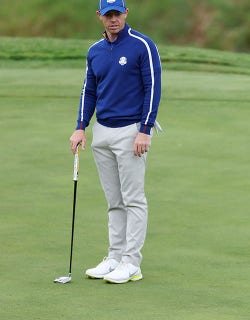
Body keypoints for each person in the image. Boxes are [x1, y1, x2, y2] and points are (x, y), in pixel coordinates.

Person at [68, 0, 162, 284]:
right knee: (114, 200)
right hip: (102, 132)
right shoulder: (94, 51)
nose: (113, 20)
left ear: (126, 14)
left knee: (133, 199)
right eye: (107, 15)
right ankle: (114, 257)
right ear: (99, 16)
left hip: (131, 131)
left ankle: (132, 263)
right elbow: (89, 91)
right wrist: (80, 127)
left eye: (117, 14)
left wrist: (145, 130)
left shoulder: (141, 45)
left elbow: (153, 88)